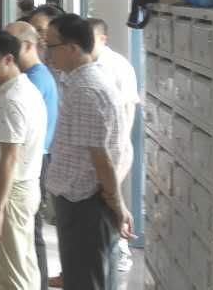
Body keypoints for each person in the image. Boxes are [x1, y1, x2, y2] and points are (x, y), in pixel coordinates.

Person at [44, 15, 132, 290]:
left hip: (85, 203)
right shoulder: (81, 81)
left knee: (86, 280)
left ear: (71, 48)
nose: (47, 54)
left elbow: (101, 158)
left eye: (51, 46)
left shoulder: (86, 90)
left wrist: (117, 205)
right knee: (86, 276)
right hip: (81, 199)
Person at [0, 32, 47, 290]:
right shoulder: (15, 91)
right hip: (15, 188)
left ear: (7, 59)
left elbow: (9, 159)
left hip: (8, 192)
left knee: (12, 275)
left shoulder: (13, 100)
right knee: (19, 266)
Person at [6, 21, 59, 290]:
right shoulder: (32, 75)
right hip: (34, 158)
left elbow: (19, 126)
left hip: (35, 161)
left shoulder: (35, 79)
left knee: (30, 230)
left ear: (28, 45)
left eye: (10, 43)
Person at [90, 18, 141, 284]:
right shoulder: (87, 65)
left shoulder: (118, 66)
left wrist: (119, 150)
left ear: (103, 39)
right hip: (97, 151)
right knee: (102, 204)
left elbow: (128, 108)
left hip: (114, 150)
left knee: (111, 200)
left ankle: (120, 251)